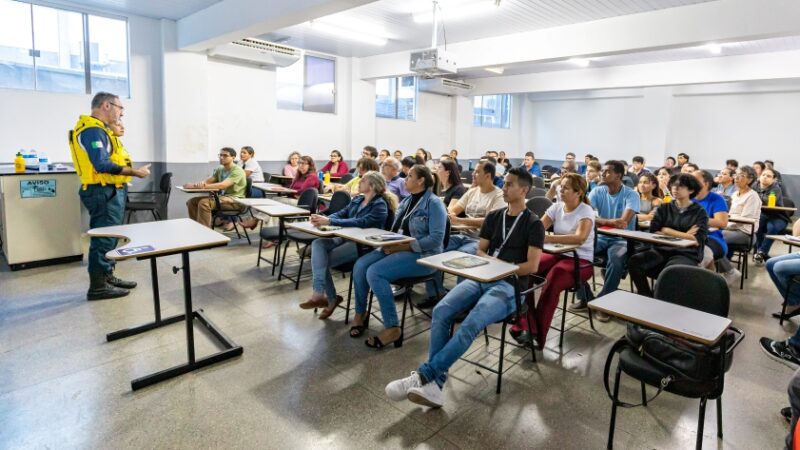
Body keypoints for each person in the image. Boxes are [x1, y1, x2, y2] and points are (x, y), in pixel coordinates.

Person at [384, 167, 544, 408]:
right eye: (505, 183)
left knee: (472, 322)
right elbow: (481, 249)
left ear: (524, 190)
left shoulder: (533, 224)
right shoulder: (495, 217)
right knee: (441, 310)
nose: (505, 188)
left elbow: (531, 266)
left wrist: (501, 266)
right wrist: (487, 262)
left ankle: (424, 376)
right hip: (482, 277)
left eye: (510, 184)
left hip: (510, 286)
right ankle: (434, 387)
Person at [349, 165, 447, 349]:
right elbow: (396, 230)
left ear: (421, 181)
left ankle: (392, 327)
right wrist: (384, 241)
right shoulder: (407, 201)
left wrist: (403, 246)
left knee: (375, 272)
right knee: (361, 265)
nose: (405, 178)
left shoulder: (434, 203)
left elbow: (436, 239)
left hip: (423, 256)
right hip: (397, 248)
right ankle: (360, 313)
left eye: (410, 176)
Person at [70, 92, 151, 301]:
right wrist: (135, 172)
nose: (121, 113)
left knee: (111, 236)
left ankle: (107, 276)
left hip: (110, 190)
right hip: (102, 191)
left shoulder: (101, 131)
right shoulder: (93, 131)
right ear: (107, 105)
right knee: (104, 239)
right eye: (120, 108)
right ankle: (98, 287)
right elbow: (101, 164)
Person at [511, 173, 595, 348]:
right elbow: (539, 228)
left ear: (578, 192)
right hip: (557, 254)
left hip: (580, 260)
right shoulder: (557, 207)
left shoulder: (585, 211)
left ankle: (538, 339)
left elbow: (580, 238)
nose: (560, 190)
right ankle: (528, 327)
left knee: (553, 278)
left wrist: (550, 239)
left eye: (565, 188)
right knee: (526, 270)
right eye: (560, 187)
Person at [299, 171, 395, 319]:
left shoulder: (380, 205)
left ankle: (329, 298)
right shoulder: (358, 200)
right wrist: (323, 218)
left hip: (362, 245)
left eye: (363, 180)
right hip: (345, 238)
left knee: (320, 261)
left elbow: (361, 222)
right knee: (318, 244)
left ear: (372, 185)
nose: (359, 182)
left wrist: (330, 222)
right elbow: (341, 213)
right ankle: (319, 292)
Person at [423, 160, 507, 304]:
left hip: (481, 240)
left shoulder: (498, 195)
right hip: (462, 235)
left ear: (488, 176)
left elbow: (490, 221)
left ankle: (461, 303)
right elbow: (454, 210)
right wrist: (449, 214)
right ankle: (436, 294)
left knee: (462, 257)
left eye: (477, 172)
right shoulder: (473, 191)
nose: (473, 174)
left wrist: (460, 221)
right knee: (434, 250)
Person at [572, 161, 639, 318]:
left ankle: (604, 302)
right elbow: (585, 216)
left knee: (615, 260)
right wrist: (609, 222)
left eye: (607, 171)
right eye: (602, 170)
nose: (602, 173)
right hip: (599, 237)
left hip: (622, 239)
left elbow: (622, 223)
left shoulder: (631, 194)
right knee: (573, 254)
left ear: (618, 175)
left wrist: (599, 220)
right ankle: (585, 297)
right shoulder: (597, 191)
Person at [628, 174, 709, 297]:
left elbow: (697, 240)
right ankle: (645, 295)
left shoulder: (699, 211)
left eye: (680, 186)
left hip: (686, 253)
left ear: (691, 190)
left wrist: (667, 230)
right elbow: (654, 231)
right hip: (661, 249)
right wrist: (685, 235)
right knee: (635, 261)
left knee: (670, 271)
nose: (675, 189)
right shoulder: (664, 208)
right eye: (673, 186)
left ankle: (659, 298)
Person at [692, 170, 740, 285]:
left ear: (706, 183)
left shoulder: (716, 199)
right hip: (688, 236)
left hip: (712, 238)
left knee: (697, 258)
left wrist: (696, 219)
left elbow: (722, 223)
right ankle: (711, 284)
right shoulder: (687, 197)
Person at [185, 147, 247, 228]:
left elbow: (223, 185)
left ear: (233, 157)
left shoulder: (237, 170)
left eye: (225, 155)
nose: (221, 157)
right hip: (223, 198)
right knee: (191, 202)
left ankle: (205, 232)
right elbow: (208, 181)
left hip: (236, 201)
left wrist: (203, 186)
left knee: (204, 203)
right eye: (220, 155)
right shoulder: (220, 169)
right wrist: (193, 185)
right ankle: (197, 228)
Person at [723, 165, 761, 259]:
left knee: (714, 237)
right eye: (736, 174)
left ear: (750, 180)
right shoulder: (735, 194)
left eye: (742, 175)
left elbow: (745, 220)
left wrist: (726, 221)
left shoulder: (752, 196)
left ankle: (725, 269)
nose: (737, 177)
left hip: (745, 233)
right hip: (731, 229)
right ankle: (722, 267)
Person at [754, 167, 790, 266]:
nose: (765, 177)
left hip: (778, 216)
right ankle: (760, 253)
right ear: (759, 177)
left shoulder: (776, 188)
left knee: (772, 228)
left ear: (773, 179)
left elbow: (766, 200)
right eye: (763, 175)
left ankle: (761, 252)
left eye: (768, 176)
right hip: (762, 215)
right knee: (757, 225)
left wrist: (756, 196)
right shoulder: (754, 186)